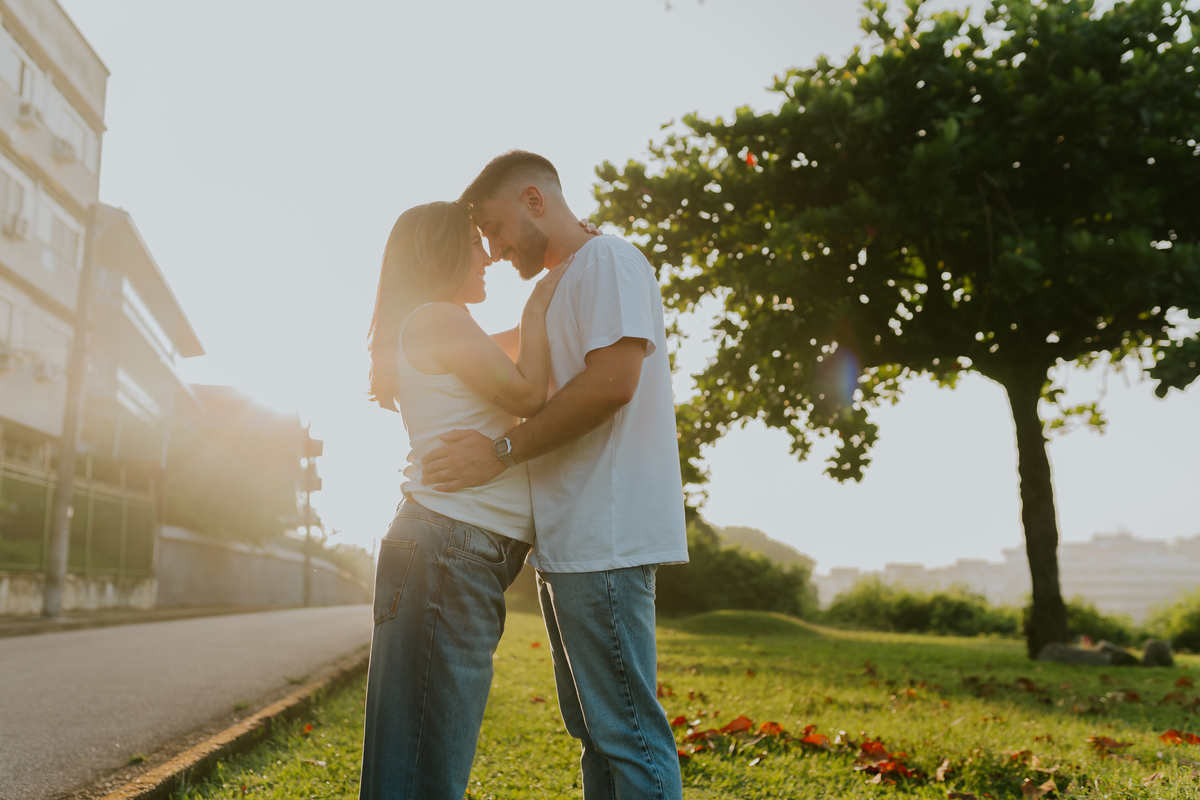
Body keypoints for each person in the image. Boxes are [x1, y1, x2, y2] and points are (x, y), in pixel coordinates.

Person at [420, 151, 689, 800]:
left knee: (626, 736)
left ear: (534, 201)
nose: (493, 247)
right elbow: (483, 351)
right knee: (597, 735)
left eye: (494, 227)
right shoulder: (563, 284)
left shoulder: (609, 262)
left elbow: (613, 384)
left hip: (607, 539)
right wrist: (400, 347)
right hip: (570, 546)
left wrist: (500, 451)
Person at [359, 200, 590, 799]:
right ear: (438, 251)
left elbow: (522, 348)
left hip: (452, 550)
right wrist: (539, 300)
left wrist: (562, 291)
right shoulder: (439, 318)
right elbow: (529, 391)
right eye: (473, 242)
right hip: (447, 548)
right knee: (421, 770)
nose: (488, 254)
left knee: (421, 762)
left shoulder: (441, 324)